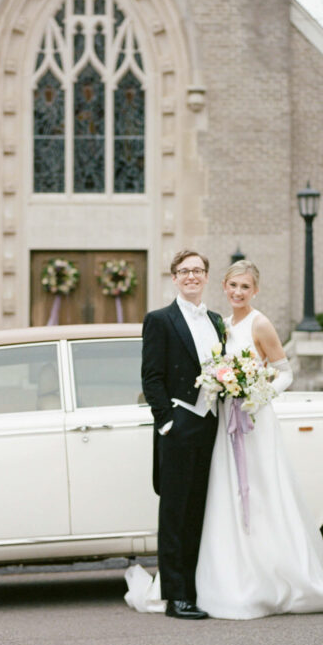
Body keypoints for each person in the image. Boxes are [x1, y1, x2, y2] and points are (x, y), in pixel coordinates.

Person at [194, 259, 323, 619]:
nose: (238, 292)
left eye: (245, 287)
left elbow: (284, 372)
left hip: (256, 422)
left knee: (262, 491)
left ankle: (279, 575)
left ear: (255, 290)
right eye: (233, 286)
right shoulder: (221, 326)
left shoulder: (260, 323)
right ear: (224, 288)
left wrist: (256, 396)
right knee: (229, 493)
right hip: (227, 421)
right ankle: (235, 574)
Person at [139, 249, 225, 620]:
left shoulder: (217, 320)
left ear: (206, 277)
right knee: (175, 513)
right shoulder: (160, 320)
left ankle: (196, 588)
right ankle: (177, 598)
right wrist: (167, 422)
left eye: (198, 270)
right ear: (174, 277)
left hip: (212, 425)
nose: (192, 276)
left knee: (200, 512)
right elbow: (151, 377)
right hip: (180, 424)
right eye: (184, 271)